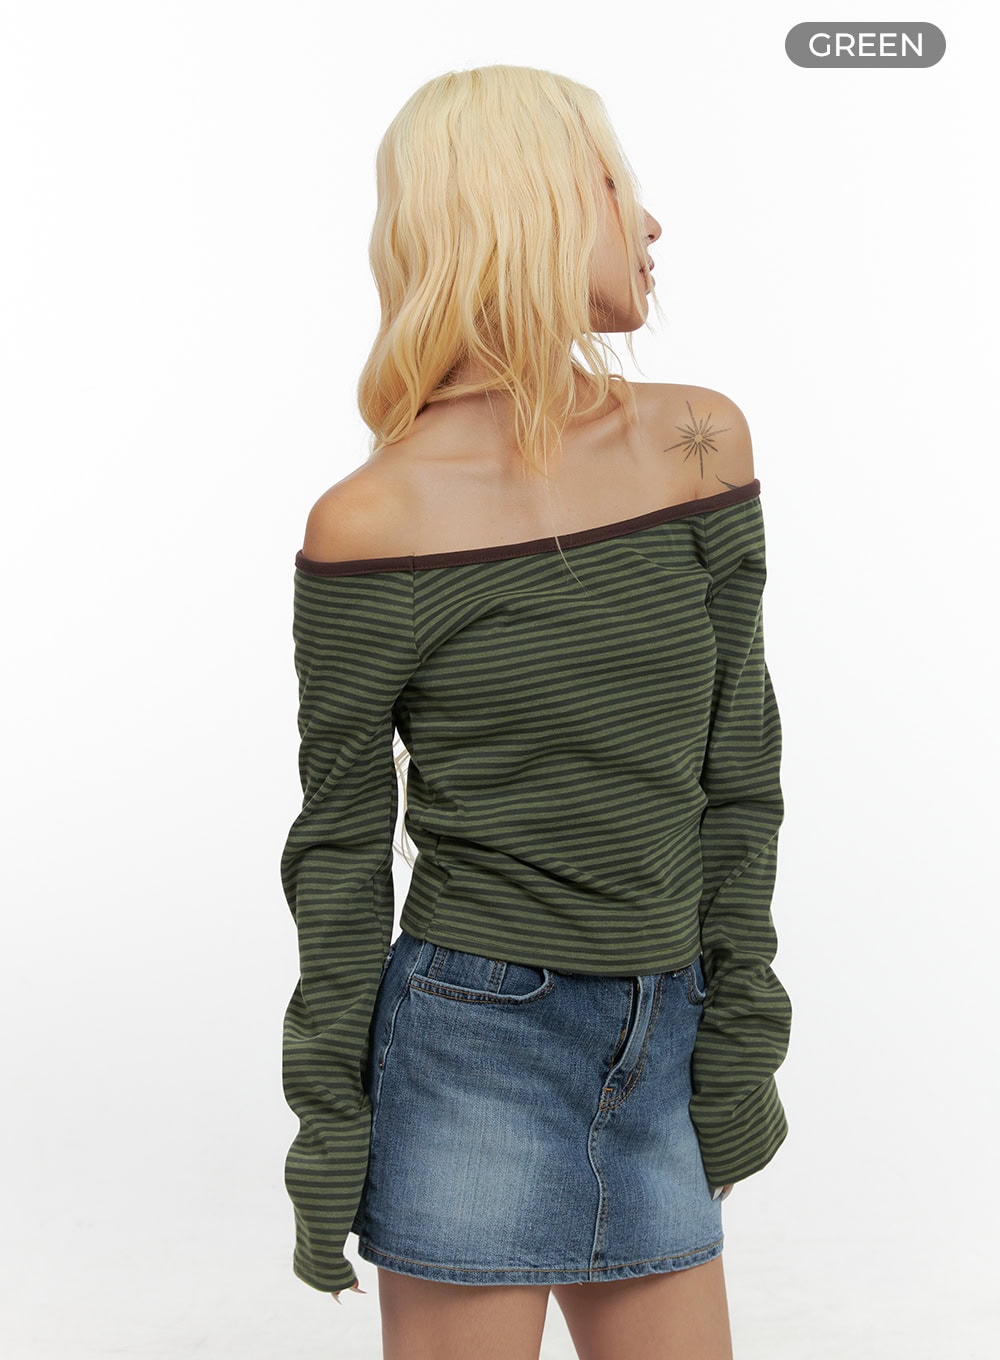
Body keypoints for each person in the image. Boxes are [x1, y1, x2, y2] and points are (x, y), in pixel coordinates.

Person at [279, 64, 792, 1360]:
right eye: (620, 186)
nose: (652, 223)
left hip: (660, 1030)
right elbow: (339, 849)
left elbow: (741, 773)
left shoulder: (699, 444)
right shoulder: (373, 521)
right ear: (535, 206)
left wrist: (739, 1031)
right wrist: (331, 1126)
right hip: (473, 1045)